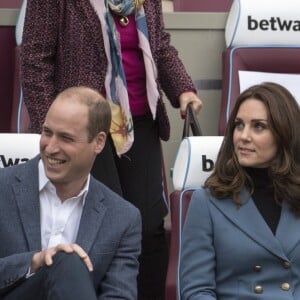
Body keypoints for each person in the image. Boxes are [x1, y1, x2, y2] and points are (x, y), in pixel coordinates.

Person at [20, 0, 203, 298]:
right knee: (101, 225)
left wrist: (183, 89)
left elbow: (160, 47)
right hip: (81, 127)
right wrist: (52, 129)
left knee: (148, 228)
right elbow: (35, 59)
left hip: (138, 122)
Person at [0, 86, 141, 300]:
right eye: (47, 132)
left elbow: (119, 295)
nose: (50, 147)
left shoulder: (122, 218)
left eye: (66, 138)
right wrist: (34, 262)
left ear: (98, 142)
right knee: (67, 260)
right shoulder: (3, 187)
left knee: (68, 261)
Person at [179, 82, 300, 299]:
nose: (243, 136)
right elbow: (197, 291)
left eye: (258, 126)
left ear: (284, 132)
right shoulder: (206, 203)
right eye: (238, 125)